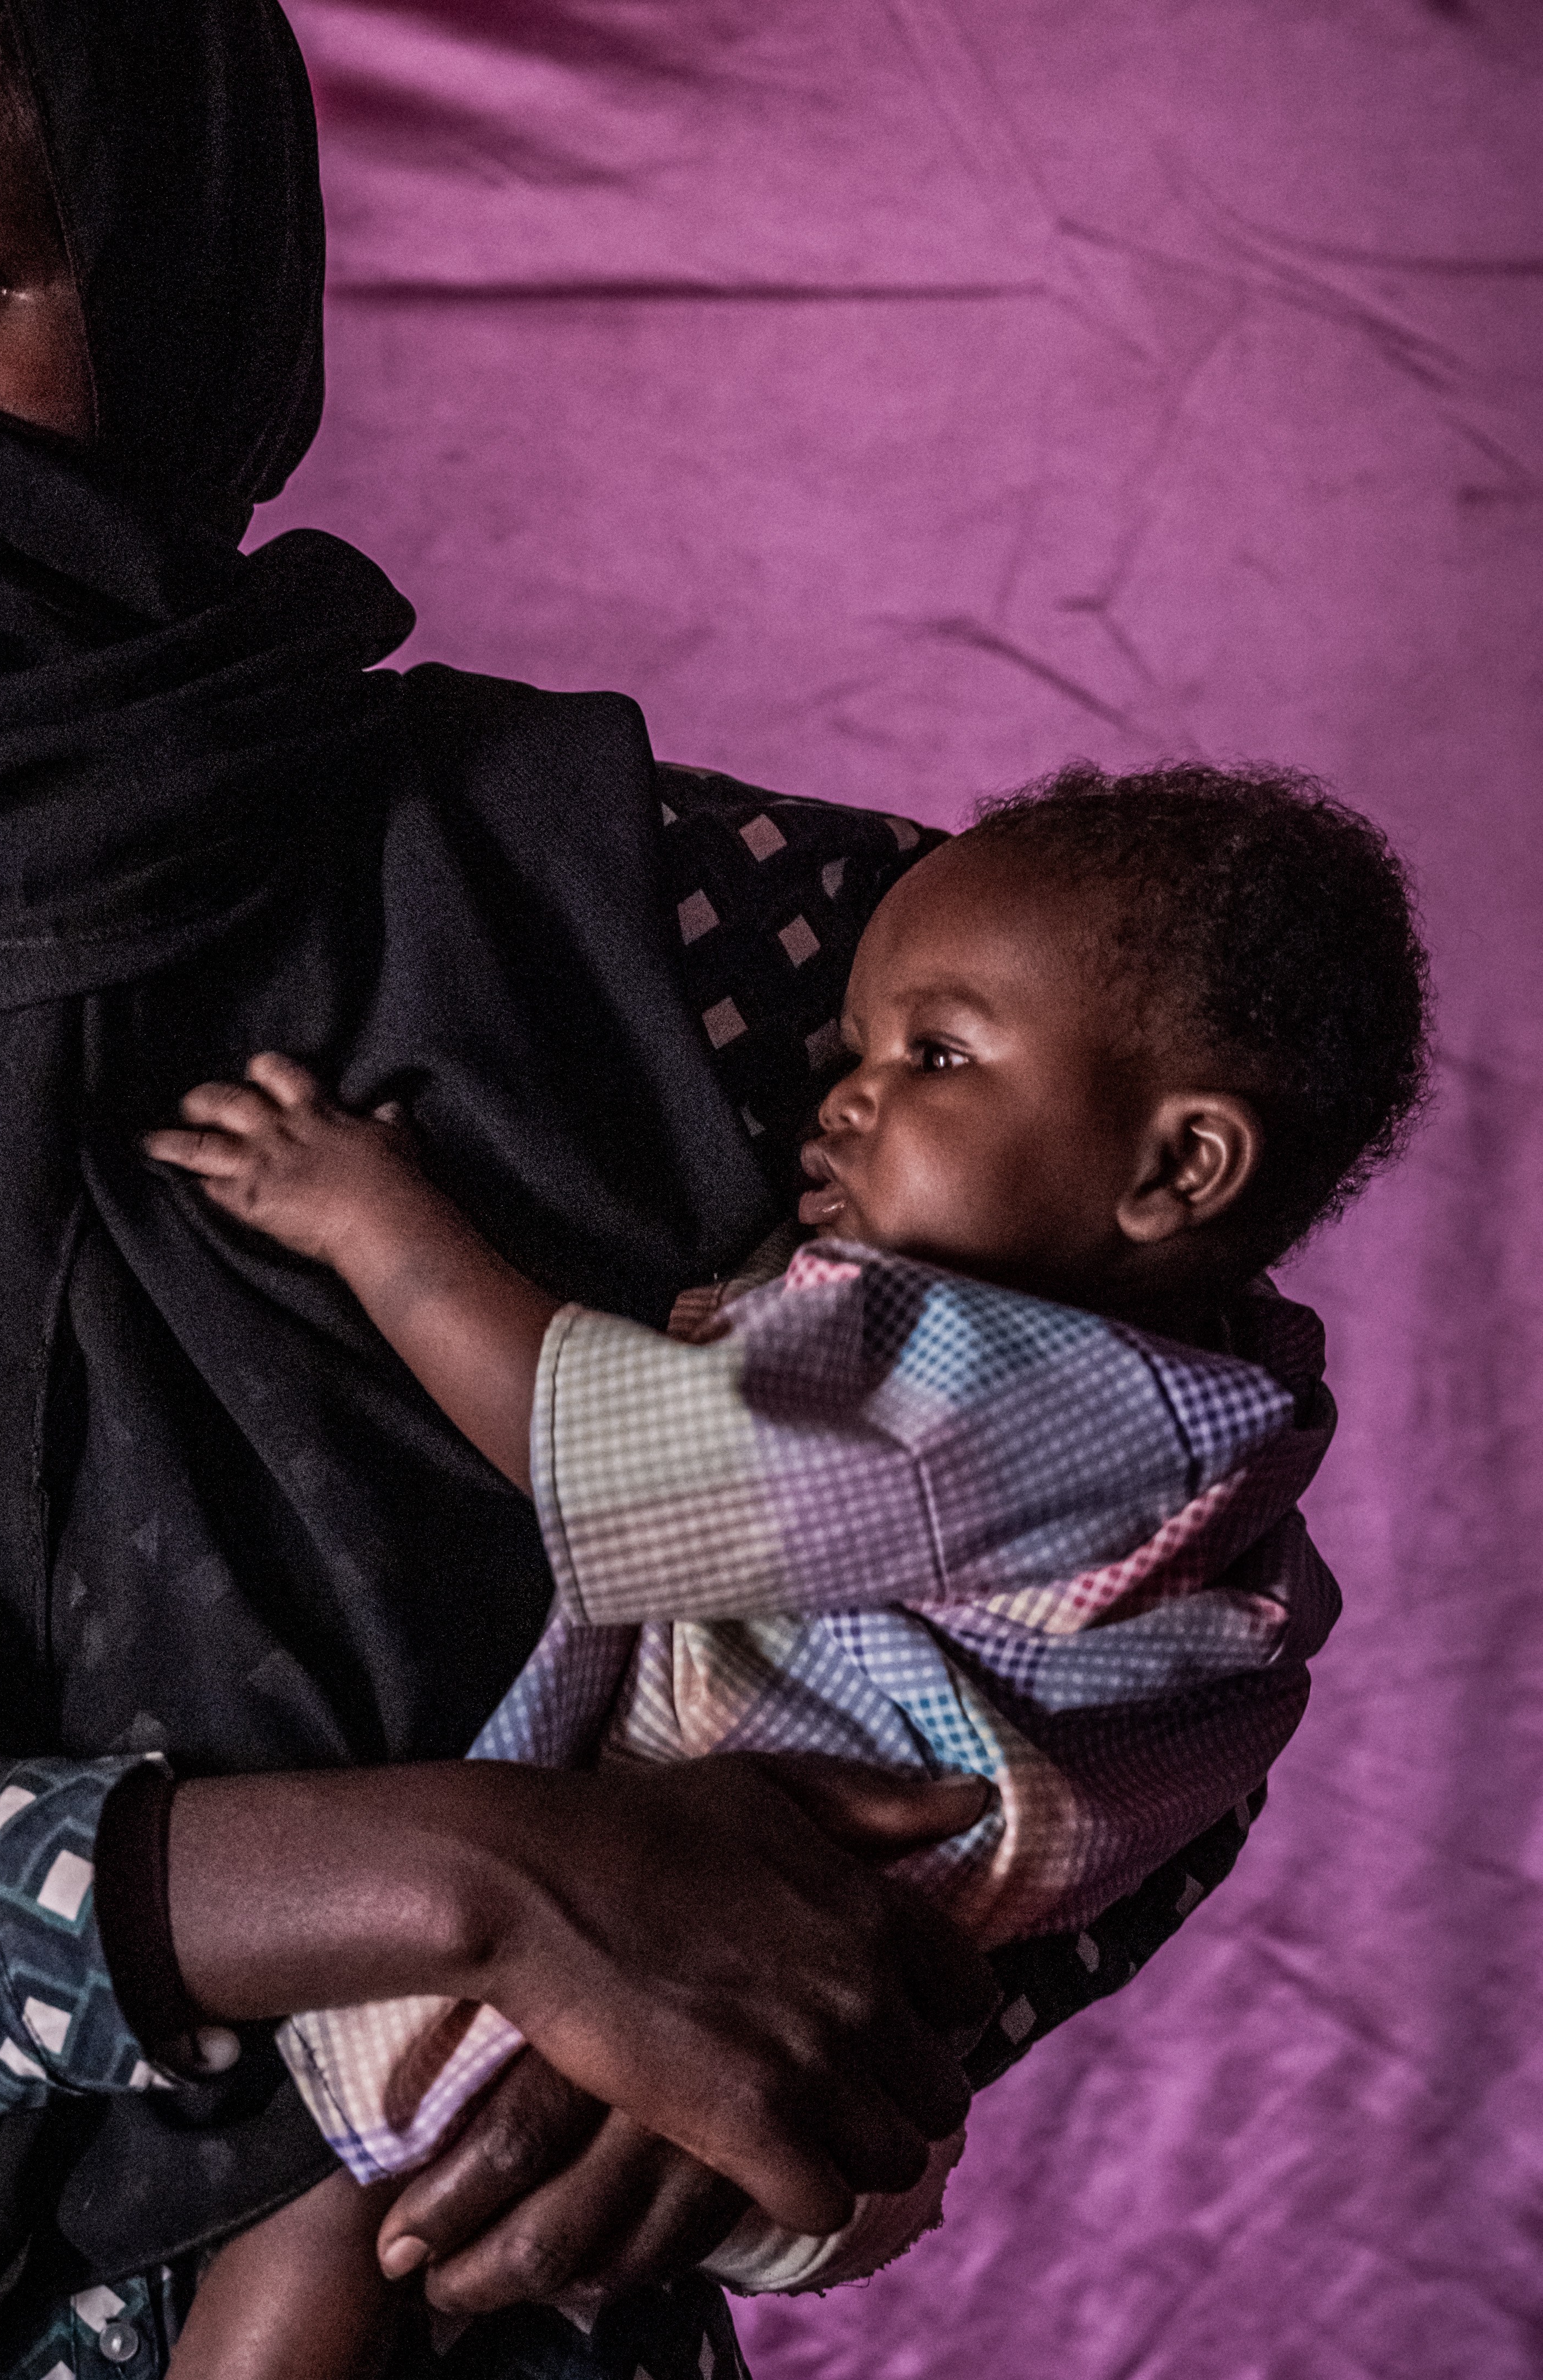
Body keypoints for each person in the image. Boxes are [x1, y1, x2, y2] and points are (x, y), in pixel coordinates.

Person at [0, 3, 1295, 2374]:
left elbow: (1142, 1487)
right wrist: (468, 1877)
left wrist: (868, 1987)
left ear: (188, 296)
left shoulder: (636, 921)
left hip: (471, 2308)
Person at [147, 764, 1427, 2379]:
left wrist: (365, 1216)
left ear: (1177, 1173)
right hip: (848, 2074)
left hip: (702, 1987)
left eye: (937, 1056)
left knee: (320, 2223)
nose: (848, 1097)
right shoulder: (1219, 1410)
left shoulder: (992, 1383)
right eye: (861, 1053)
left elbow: (598, 1447)